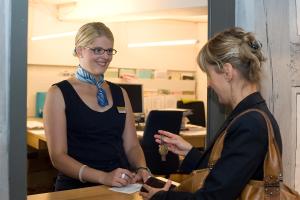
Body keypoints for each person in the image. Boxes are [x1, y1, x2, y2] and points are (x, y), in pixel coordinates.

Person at [140, 27, 283, 200]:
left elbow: (213, 197)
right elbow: (227, 173)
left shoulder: (249, 123)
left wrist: (161, 197)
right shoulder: (250, 115)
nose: (208, 84)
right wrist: (190, 152)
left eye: (209, 75)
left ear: (228, 72)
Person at [43, 22, 150, 191]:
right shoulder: (58, 93)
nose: (105, 56)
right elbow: (58, 156)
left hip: (120, 186)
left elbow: (132, 146)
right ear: (80, 51)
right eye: (97, 50)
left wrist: (141, 168)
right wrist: (104, 177)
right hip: (77, 189)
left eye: (109, 51)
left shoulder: (120, 93)